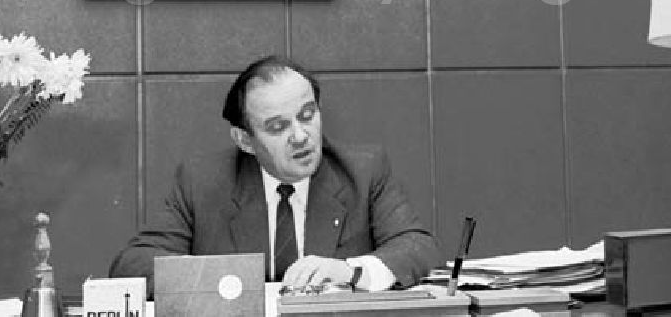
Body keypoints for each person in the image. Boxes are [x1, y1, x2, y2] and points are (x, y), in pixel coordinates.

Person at [109, 56, 441, 295]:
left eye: (308, 115)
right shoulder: (203, 181)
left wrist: (350, 271)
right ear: (245, 141)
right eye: (278, 127)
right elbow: (133, 265)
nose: (301, 136)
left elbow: (417, 248)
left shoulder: (363, 171)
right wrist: (226, 281)